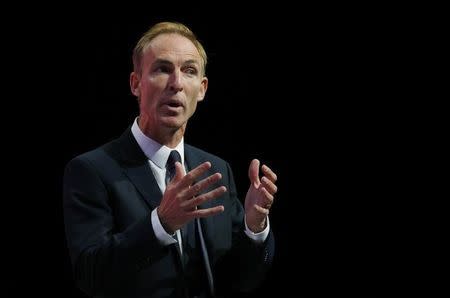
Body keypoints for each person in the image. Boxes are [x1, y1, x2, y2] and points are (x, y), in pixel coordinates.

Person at [63, 21, 277, 298]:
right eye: (163, 69)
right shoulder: (92, 170)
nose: (176, 84)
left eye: (189, 71)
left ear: (201, 89)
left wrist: (254, 225)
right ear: (136, 83)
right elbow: (91, 275)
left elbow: (241, 279)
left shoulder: (216, 171)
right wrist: (161, 224)